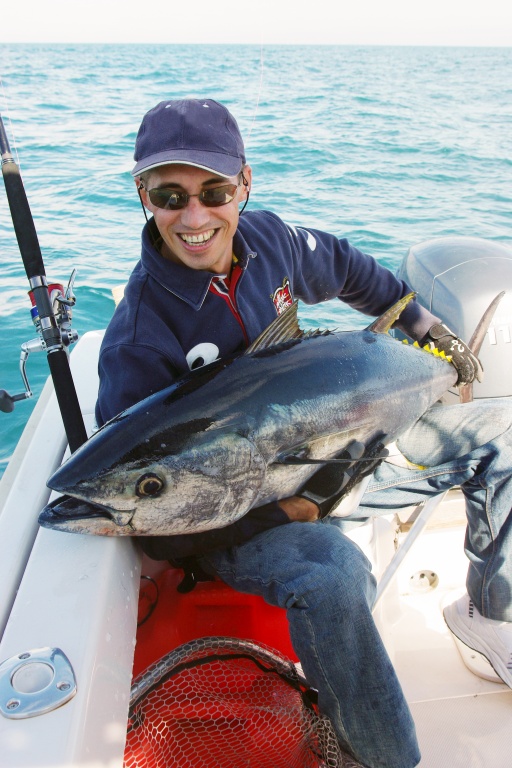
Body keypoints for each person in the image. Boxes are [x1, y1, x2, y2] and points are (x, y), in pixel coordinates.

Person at [95, 98, 512, 768]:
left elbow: (352, 271)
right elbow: (158, 520)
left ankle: (491, 616)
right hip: (245, 511)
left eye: (215, 191)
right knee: (331, 572)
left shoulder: (272, 241)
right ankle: (383, 759)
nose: (195, 217)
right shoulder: (138, 341)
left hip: (350, 449)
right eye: (170, 195)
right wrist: (299, 506)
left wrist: (428, 333)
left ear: (245, 185)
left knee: (504, 433)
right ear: (144, 196)